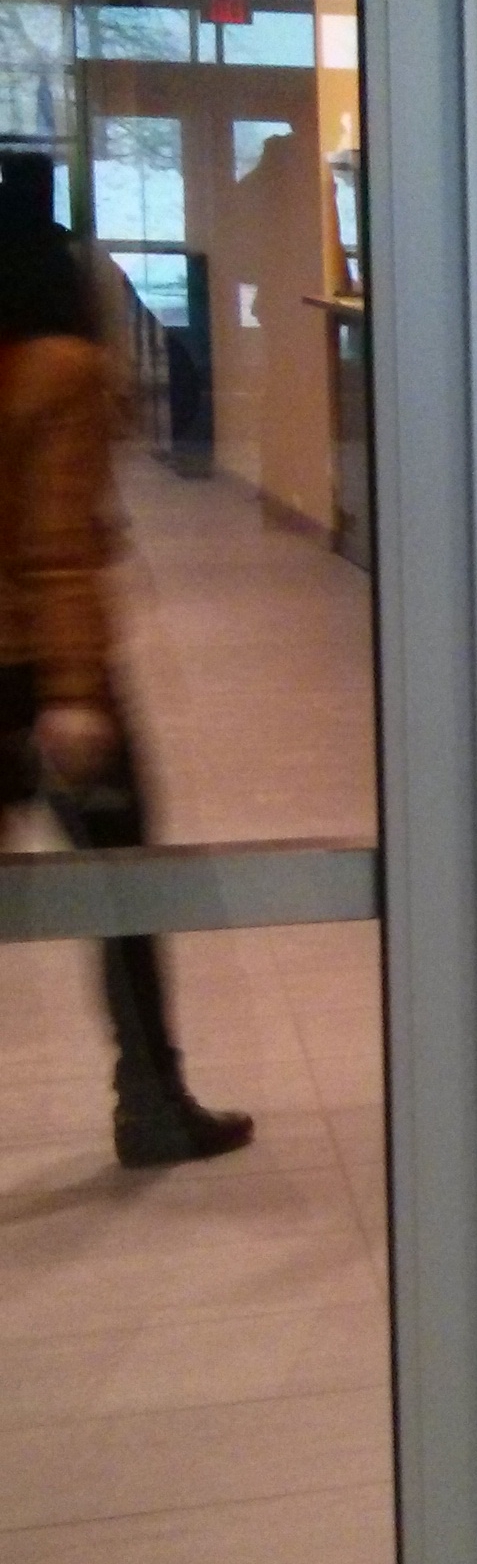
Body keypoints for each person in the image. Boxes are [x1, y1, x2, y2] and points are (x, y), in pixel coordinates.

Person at [0, 152, 250, 1167]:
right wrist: (72, 694)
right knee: (124, 890)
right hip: (37, 671)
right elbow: (56, 547)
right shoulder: (57, 370)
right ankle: (153, 1103)